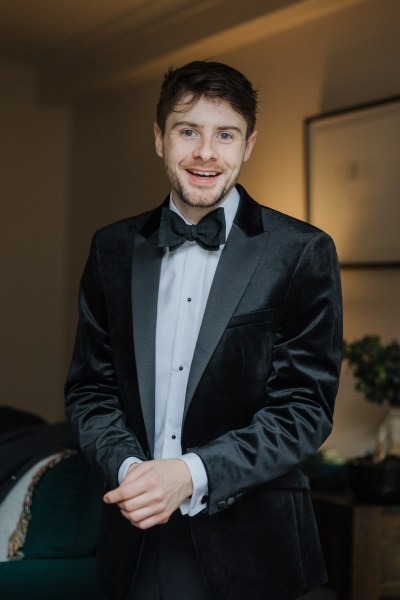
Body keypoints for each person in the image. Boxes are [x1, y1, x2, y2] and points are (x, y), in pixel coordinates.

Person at [65, 60, 342, 600]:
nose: (206, 153)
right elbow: (89, 391)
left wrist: (190, 474)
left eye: (225, 135)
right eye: (187, 130)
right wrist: (130, 471)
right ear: (159, 138)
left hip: (256, 549)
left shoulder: (303, 252)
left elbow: (304, 409)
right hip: (135, 545)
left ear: (249, 144)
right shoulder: (111, 249)